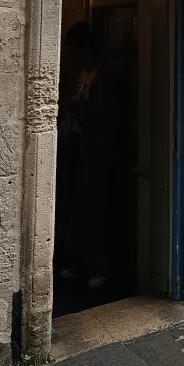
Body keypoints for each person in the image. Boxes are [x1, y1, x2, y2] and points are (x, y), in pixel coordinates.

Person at [55, 22, 117, 289]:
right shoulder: (82, 72)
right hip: (79, 147)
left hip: (96, 151)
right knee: (75, 206)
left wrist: (78, 109)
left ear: (86, 50)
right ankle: (78, 262)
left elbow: (104, 118)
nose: (73, 60)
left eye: (75, 53)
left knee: (93, 207)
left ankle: (98, 265)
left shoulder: (103, 77)